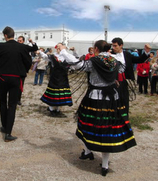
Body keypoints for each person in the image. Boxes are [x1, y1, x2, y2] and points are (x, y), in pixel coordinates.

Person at [74, 40, 136, 177]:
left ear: (96, 48)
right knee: (107, 128)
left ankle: (88, 151)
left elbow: (78, 66)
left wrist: (65, 52)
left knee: (87, 124)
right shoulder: (113, 60)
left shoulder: (94, 61)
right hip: (112, 98)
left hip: (95, 98)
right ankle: (104, 164)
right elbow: (121, 69)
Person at [111, 38, 151, 116]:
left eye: (115, 46)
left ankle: (124, 116)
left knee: (124, 99)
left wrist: (146, 52)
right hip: (112, 82)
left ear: (121, 45)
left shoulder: (127, 54)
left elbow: (139, 60)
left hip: (123, 81)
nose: (113, 48)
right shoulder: (109, 54)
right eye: (113, 46)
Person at [41, 43, 80, 116]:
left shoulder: (66, 55)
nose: (58, 48)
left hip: (63, 78)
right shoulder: (53, 56)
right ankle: (52, 109)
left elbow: (76, 59)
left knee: (60, 94)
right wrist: (39, 52)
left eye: (60, 47)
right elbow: (44, 56)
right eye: (57, 47)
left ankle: (57, 109)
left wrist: (74, 50)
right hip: (54, 77)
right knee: (54, 93)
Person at [16, 35, 38, 105]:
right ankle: (13, 99)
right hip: (14, 69)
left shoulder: (25, 47)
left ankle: (18, 99)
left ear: (23, 41)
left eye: (20, 41)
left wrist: (32, 42)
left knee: (20, 85)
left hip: (22, 70)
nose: (19, 42)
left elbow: (35, 48)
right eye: (18, 40)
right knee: (13, 86)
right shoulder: (14, 47)